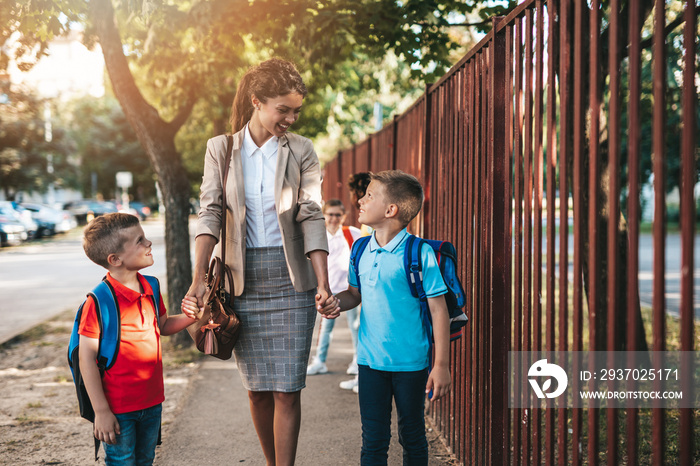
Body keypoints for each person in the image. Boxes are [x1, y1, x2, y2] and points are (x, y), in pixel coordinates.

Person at [186, 58, 332, 466]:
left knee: (287, 388)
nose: (290, 117)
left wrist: (322, 282)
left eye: (296, 110)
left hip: (291, 283)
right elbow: (210, 212)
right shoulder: (222, 148)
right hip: (240, 282)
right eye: (282, 109)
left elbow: (311, 214)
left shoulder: (301, 150)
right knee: (257, 390)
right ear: (257, 102)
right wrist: (199, 279)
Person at [320, 170, 452, 465]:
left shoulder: (419, 253)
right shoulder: (361, 248)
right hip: (369, 363)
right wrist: (334, 302)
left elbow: (438, 309)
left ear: (391, 210)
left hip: (411, 365)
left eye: (369, 196)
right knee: (374, 440)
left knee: (412, 434)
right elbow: (354, 294)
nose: (361, 201)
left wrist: (441, 365)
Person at [79, 213, 198, 465]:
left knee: (145, 459)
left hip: (153, 400)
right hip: (118, 408)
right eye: (140, 240)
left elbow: (163, 325)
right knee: (122, 461)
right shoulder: (99, 301)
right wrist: (101, 411)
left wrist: (194, 316)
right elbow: (86, 359)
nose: (149, 243)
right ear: (115, 259)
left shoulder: (151, 287)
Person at [306, 199, 361, 380]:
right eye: (330, 214)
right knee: (325, 327)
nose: (334, 218)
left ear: (343, 216)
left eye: (338, 215)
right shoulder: (320, 235)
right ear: (324, 215)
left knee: (356, 327)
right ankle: (320, 361)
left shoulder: (351, 233)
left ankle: (357, 361)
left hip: (349, 291)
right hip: (329, 291)